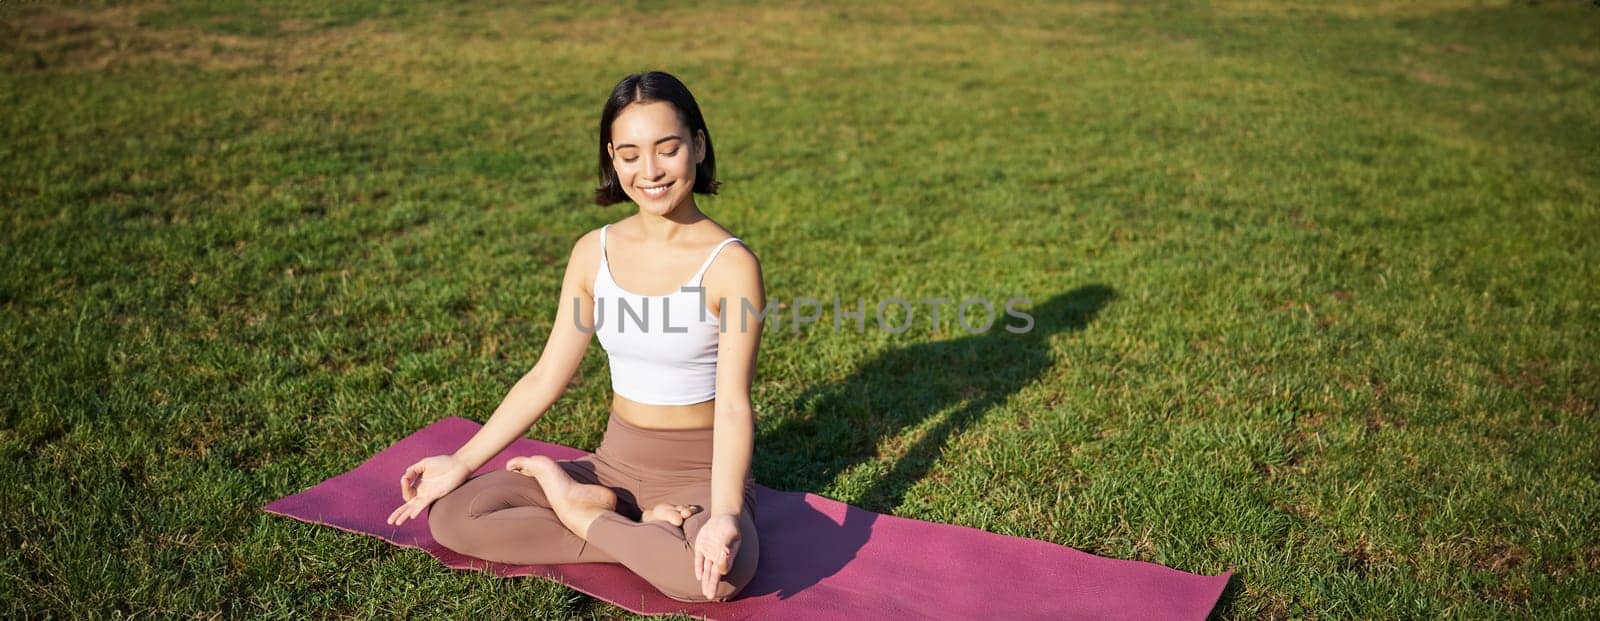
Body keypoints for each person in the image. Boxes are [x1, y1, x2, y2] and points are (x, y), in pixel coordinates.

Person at [384, 70, 765, 603]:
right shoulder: (594, 252)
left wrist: (724, 514)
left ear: (698, 147)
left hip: (698, 472)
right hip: (612, 465)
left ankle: (582, 511)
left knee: (716, 577)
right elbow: (545, 376)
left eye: (668, 148)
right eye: (630, 154)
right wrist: (462, 462)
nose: (649, 171)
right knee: (453, 515)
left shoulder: (731, 266)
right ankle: (613, 515)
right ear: (612, 158)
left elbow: (732, 406)